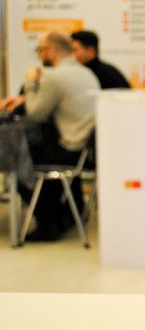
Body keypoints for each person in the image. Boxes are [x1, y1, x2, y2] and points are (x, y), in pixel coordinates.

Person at [16, 31, 101, 240]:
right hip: (85, 149)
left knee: (18, 161)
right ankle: (65, 217)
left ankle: (48, 224)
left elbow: (35, 113)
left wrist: (30, 82)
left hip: (68, 150)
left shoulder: (53, 77)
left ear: (52, 51)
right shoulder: (86, 73)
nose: (39, 55)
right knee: (41, 150)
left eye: (40, 50)